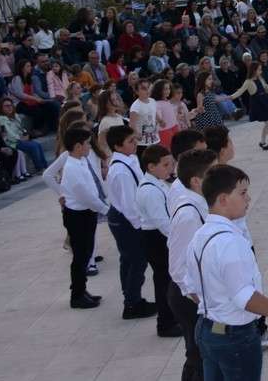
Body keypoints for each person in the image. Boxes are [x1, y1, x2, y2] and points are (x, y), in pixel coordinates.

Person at [187, 165, 268, 381]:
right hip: (234, 337)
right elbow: (244, 298)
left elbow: (190, 287)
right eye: (243, 193)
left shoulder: (199, 236)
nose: (248, 198)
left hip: (206, 330)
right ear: (223, 199)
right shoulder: (230, 242)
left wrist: (217, 307)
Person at [168, 149, 218, 381]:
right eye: (213, 172)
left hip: (199, 294)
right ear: (196, 181)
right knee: (198, 355)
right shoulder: (188, 214)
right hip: (189, 298)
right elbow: (178, 268)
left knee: (207, 354)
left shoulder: (202, 204)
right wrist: (202, 302)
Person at [104, 124, 155, 319]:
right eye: (130, 141)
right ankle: (132, 304)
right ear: (117, 146)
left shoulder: (130, 159)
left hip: (126, 217)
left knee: (129, 259)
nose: (135, 143)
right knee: (136, 260)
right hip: (125, 219)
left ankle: (131, 297)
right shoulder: (121, 171)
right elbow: (129, 205)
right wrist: (140, 227)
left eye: (134, 139)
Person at [59, 125, 109, 309]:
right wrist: (105, 209)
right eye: (87, 143)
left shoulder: (80, 161)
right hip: (78, 216)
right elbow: (85, 195)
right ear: (78, 146)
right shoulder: (72, 167)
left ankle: (82, 290)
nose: (90, 146)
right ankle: (77, 295)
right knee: (80, 256)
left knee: (86, 253)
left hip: (86, 213)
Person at [136, 144, 182, 337]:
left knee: (168, 280)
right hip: (156, 239)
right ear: (151, 167)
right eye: (165, 165)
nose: (170, 168)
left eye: (171, 164)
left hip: (160, 236)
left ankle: (172, 318)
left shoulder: (158, 182)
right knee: (164, 282)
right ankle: (165, 323)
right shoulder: (150, 191)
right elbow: (163, 223)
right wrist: (180, 240)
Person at [228, 62, 268, 150]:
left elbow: (266, 87)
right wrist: (231, 97)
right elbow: (240, 91)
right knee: (267, 122)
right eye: (259, 70)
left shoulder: (260, 78)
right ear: (254, 70)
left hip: (265, 101)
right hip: (258, 103)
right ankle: (263, 142)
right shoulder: (248, 82)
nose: (261, 71)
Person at [128, 78, 160, 147]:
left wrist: (160, 121)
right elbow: (131, 124)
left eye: (148, 88)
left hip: (155, 139)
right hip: (142, 143)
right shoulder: (135, 106)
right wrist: (136, 134)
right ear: (137, 92)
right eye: (143, 88)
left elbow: (155, 114)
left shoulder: (152, 101)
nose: (147, 90)